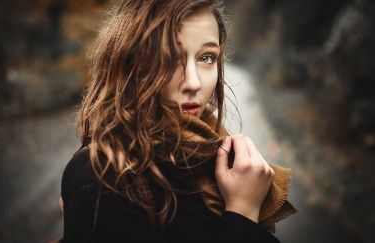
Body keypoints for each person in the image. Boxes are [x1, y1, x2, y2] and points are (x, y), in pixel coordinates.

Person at [57, 0, 294, 242]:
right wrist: (243, 212)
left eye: (206, 58)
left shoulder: (212, 157)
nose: (193, 83)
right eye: (170, 58)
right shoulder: (100, 175)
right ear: (131, 65)